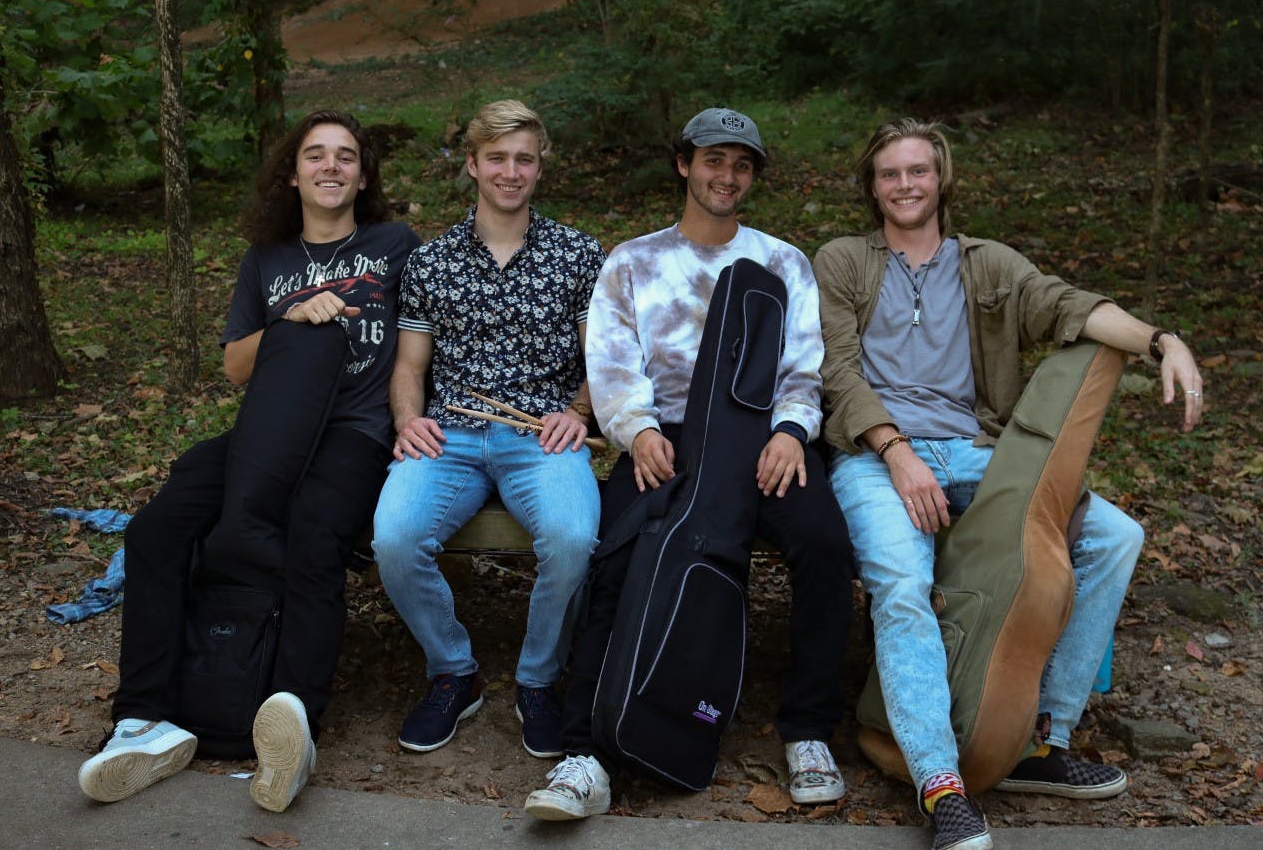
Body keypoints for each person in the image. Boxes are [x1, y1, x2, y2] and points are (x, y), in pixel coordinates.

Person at [814, 118, 1204, 850]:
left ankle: (1040, 739)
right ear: (872, 186)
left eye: (918, 172)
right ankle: (941, 783)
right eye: (890, 174)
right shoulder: (841, 261)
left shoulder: (987, 264)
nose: (905, 185)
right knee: (901, 581)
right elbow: (835, 371)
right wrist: (895, 451)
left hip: (973, 451)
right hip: (876, 455)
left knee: (1115, 536)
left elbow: (1072, 306)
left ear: (942, 179)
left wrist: (1163, 341)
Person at [76, 110, 421, 812]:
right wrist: (289, 320)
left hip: (354, 433)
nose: (331, 166)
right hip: (266, 429)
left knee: (315, 530)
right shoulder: (266, 258)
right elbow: (236, 366)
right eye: (315, 155)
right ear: (290, 174)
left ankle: (293, 722)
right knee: (155, 529)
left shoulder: (395, 245)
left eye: (346, 156)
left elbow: (421, 338)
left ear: (363, 176)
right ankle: (141, 719)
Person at [524, 107, 854, 821]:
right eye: (713, 160)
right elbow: (610, 363)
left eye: (741, 165)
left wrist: (794, 432)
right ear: (684, 164)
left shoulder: (782, 262)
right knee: (613, 551)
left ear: (753, 177)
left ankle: (808, 730)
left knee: (825, 543)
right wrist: (636, 430)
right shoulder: (633, 262)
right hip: (665, 438)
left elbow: (804, 368)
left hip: (759, 439)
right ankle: (584, 751)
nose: (726, 176)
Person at [371, 100, 605, 761]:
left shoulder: (579, 254)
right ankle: (454, 669)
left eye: (524, 158)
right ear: (472, 164)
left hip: (542, 434)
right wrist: (408, 420)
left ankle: (537, 678)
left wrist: (580, 412)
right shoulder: (432, 261)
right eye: (497, 158)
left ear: (539, 165)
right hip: (452, 435)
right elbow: (410, 363)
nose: (511, 171)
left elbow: (602, 361)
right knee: (395, 536)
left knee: (571, 535)